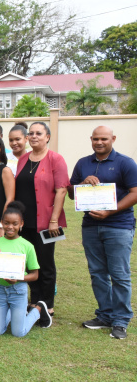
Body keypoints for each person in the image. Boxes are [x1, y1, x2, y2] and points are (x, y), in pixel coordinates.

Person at [69, 126, 137, 340]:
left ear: (113, 139)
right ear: (91, 139)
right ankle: (105, 315)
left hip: (118, 225)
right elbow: (71, 193)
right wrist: (82, 182)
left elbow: (135, 193)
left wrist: (110, 211)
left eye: (104, 139)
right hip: (90, 225)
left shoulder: (125, 163)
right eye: (95, 138)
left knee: (119, 274)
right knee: (97, 273)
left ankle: (120, 320)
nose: (99, 142)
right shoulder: (83, 163)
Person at [15, 121, 69, 326]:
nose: (34, 136)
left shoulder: (56, 159)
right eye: (31, 133)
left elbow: (61, 190)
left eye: (39, 133)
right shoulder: (23, 159)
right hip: (25, 222)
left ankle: (47, 303)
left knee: (45, 262)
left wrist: (54, 220)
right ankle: (34, 300)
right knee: (30, 262)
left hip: (47, 223)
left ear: (47, 137)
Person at [0, 201, 51, 337]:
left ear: (21, 224)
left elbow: (34, 275)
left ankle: (37, 309)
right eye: (6, 223)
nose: (10, 227)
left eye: (15, 224)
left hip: (18, 291)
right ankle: (12, 312)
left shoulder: (27, 246)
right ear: (2, 223)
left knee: (19, 333)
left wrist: (17, 279)